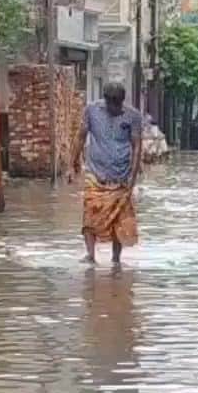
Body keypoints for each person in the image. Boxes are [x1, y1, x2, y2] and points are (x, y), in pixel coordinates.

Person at [72, 82, 142, 265]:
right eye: (112, 104)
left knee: (119, 219)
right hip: (96, 174)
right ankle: (90, 255)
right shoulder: (92, 111)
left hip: (121, 176)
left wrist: (132, 178)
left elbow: (136, 148)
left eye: (118, 104)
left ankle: (116, 258)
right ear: (106, 101)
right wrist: (72, 163)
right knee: (90, 213)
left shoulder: (133, 116)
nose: (115, 108)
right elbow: (81, 136)